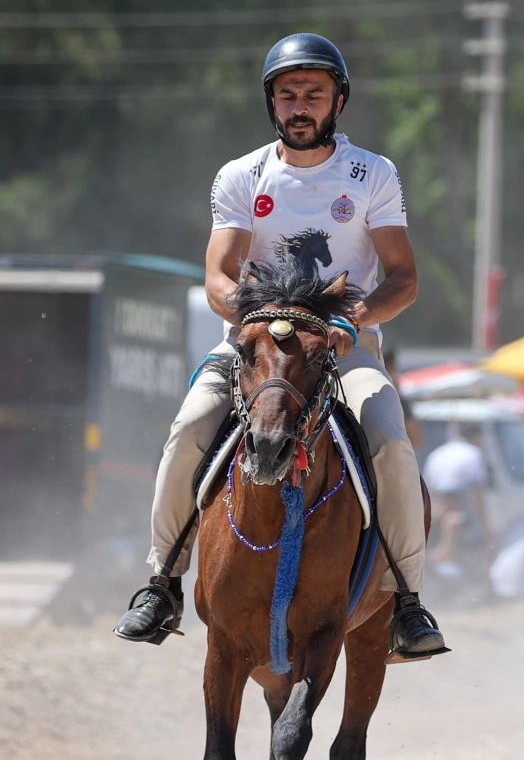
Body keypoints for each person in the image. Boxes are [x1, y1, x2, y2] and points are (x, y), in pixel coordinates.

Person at [114, 33, 447, 659]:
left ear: (337, 102)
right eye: (287, 93)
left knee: (391, 440)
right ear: (271, 103)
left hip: (347, 350)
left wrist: (354, 320)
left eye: (313, 94)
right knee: (188, 428)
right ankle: (161, 582)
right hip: (256, 350)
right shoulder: (241, 175)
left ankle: (407, 600)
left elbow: (403, 280)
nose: (300, 105)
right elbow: (218, 277)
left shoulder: (373, 174)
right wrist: (262, 321)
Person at [423, 425, 490, 573]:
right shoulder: (474, 453)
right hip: (464, 513)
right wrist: (486, 528)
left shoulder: (437, 454)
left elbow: (429, 492)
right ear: (476, 438)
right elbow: (475, 494)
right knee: (466, 555)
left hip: (439, 513)